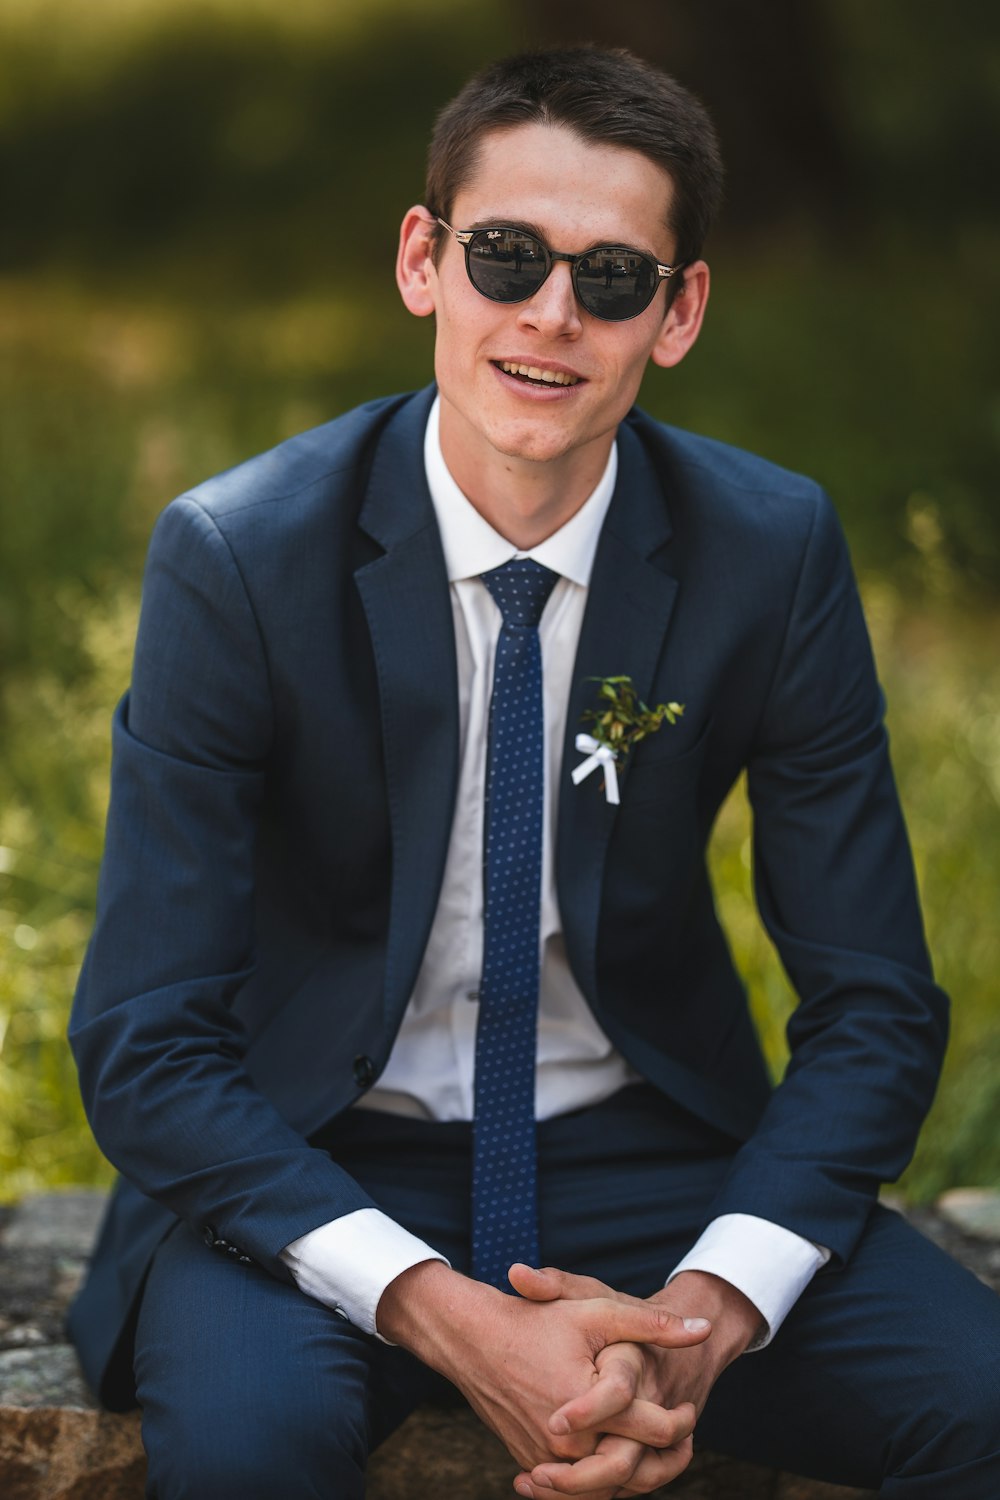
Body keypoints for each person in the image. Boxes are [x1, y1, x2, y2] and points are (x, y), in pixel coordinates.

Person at [67, 45, 1000, 1499]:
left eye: (613, 277)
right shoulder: (239, 555)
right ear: (422, 262)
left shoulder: (770, 549)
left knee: (983, 1402)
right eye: (506, 256)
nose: (551, 314)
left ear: (678, 312)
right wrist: (451, 1315)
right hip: (312, 1159)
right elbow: (146, 1037)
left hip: (649, 1153)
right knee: (250, 1452)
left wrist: (704, 1317)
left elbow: (876, 1003)